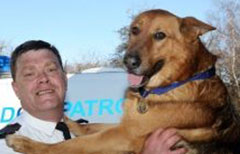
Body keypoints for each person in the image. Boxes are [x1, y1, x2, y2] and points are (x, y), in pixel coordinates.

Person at [0, 40, 187, 154]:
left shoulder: (91, 133)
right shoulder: (8, 145)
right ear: (16, 89)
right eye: (30, 74)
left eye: (51, 69)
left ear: (64, 79)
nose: (43, 79)